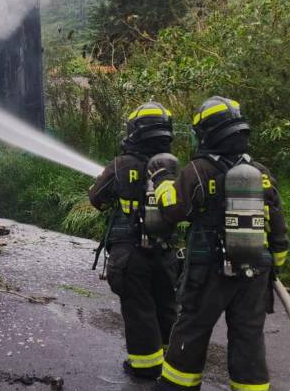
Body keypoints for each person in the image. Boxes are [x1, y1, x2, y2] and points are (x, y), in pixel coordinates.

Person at [149, 96, 289, 391]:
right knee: (248, 335)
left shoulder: (199, 170)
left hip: (208, 266)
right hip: (255, 269)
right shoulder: (260, 173)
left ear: (208, 133)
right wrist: (274, 262)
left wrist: (162, 181)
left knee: (193, 326)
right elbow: (276, 220)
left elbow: (173, 210)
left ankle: (177, 386)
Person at [89, 101, 180, 379]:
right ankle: (171, 360)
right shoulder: (173, 168)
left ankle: (144, 366)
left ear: (135, 132)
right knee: (166, 304)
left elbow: (96, 198)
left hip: (130, 252)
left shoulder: (121, 164)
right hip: (165, 251)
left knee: (139, 307)